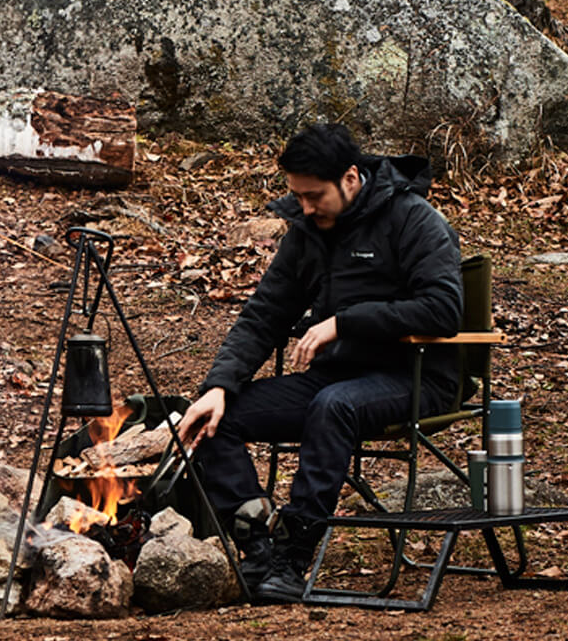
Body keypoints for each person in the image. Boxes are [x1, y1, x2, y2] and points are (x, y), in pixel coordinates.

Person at [174, 123, 463, 604]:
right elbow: (264, 315)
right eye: (298, 197)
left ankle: (294, 555)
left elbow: (443, 309)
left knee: (333, 406)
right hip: (335, 378)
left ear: (351, 178)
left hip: (415, 375)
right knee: (212, 419)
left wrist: (344, 323)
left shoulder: (413, 218)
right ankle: (259, 548)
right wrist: (219, 385)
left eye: (314, 196)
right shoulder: (307, 232)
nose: (305, 209)